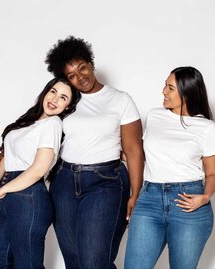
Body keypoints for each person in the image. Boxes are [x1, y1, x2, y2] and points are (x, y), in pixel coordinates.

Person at [45, 36, 144, 269]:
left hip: (106, 182)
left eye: (82, 68)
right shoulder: (65, 102)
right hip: (64, 183)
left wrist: (135, 193)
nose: (80, 77)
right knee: (74, 261)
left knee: (94, 262)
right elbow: (38, 127)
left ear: (90, 63)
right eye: (72, 75)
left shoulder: (120, 100)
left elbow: (133, 150)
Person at [125, 66, 215, 269]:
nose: (163, 92)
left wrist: (205, 197)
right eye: (165, 85)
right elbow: (140, 154)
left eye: (170, 88)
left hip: (187, 201)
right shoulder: (154, 116)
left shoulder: (207, 128)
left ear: (186, 93)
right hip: (149, 199)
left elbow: (213, 173)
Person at [0, 77, 81, 269]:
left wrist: (2, 189)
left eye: (63, 98)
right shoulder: (28, 122)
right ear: (46, 91)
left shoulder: (52, 124)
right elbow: (7, 155)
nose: (55, 99)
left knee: (27, 265)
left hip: (29, 198)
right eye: (53, 91)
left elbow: (38, 170)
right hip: (11, 194)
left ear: (68, 107)